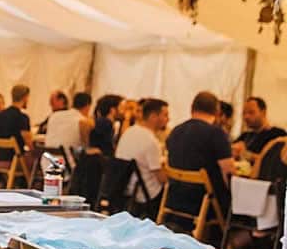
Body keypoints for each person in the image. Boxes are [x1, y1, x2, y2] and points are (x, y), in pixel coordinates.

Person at [165, 92, 234, 221]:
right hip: (203, 202)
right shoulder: (216, 134)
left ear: (192, 108)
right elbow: (228, 172)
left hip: (174, 198)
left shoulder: (175, 131)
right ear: (217, 110)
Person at [116, 98, 169, 204]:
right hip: (144, 194)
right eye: (165, 115)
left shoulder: (129, 132)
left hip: (123, 188)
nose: (168, 119)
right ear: (153, 117)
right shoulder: (150, 140)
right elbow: (161, 179)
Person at [232, 97, 286, 163]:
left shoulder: (278, 134)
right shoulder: (245, 135)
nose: (246, 117)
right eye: (244, 113)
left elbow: (276, 162)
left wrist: (247, 155)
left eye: (251, 112)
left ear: (263, 112)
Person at [0, 85, 32, 162]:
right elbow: (29, 143)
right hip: (14, 160)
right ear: (24, 97)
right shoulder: (22, 118)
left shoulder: (0, 115)